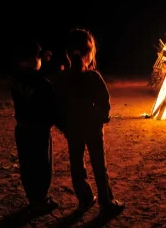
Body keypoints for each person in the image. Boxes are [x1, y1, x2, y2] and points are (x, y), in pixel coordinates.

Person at [53, 28, 125, 216]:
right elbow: (104, 101)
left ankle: (85, 199)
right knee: (99, 166)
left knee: (77, 165)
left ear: (68, 54)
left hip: (73, 130)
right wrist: (101, 119)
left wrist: (64, 126)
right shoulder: (93, 77)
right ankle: (106, 202)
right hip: (93, 129)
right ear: (90, 53)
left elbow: (57, 106)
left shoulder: (62, 78)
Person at [10, 39, 58, 214]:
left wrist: (40, 59)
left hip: (22, 128)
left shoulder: (15, 78)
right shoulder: (42, 84)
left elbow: (31, 75)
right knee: (43, 166)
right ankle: (42, 200)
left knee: (27, 165)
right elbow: (51, 108)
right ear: (34, 58)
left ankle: (33, 198)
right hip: (39, 131)